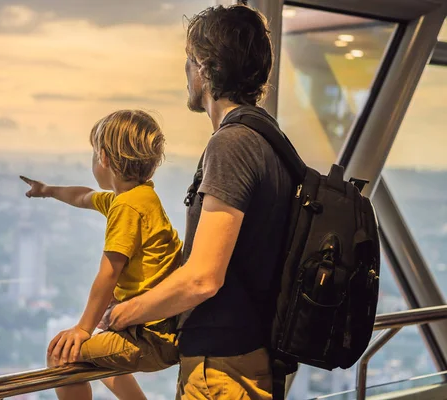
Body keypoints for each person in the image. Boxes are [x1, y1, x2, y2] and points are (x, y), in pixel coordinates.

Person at [107, 5, 292, 400]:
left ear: (206, 67)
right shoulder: (270, 139)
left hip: (221, 371)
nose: (186, 71)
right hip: (248, 360)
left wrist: (126, 313)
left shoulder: (232, 144)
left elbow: (203, 277)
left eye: (190, 60)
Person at [21, 109, 181, 400]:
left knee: (63, 355)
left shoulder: (126, 207)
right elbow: (83, 196)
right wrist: (47, 190)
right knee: (102, 352)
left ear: (104, 158)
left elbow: (109, 273)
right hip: (164, 331)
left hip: (149, 339)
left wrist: (82, 328)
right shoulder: (140, 197)